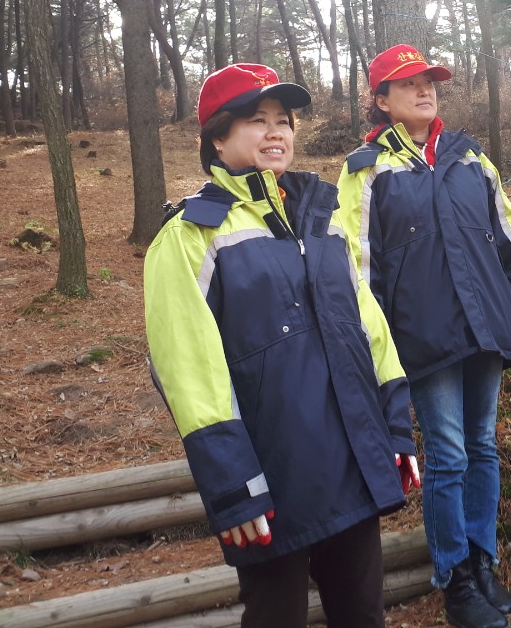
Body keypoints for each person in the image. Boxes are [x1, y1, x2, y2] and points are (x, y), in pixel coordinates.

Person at [144, 63, 420, 628]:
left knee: (363, 613)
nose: (275, 132)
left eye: (283, 120)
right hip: (270, 475)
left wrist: (394, 427)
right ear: (217, 139)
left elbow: (370, 328)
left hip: (350, 459)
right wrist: (233, 484)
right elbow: (189, 372)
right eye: (256, 120)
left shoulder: (323, 218)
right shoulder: (189, 237)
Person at [335, 44, 511, 628]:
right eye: (408, 83)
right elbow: (355, 259)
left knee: (482, 446)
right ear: (382, 100)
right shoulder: (366, 169)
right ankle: (454, 576)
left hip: (486, 321)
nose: (424, 89)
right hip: (422, 332)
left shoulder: (469, 155)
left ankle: (482, 562)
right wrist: (369, 333)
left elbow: (507, 227)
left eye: (428, 81)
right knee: (449, 453)